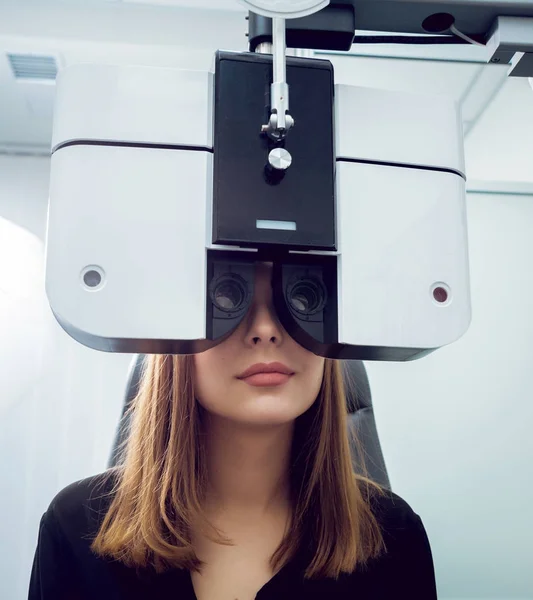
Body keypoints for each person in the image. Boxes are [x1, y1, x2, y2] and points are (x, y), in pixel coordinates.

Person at [29, 262, 437, 600]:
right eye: (226, 296)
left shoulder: (393, 537)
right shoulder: (76, 527)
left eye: (301, 299)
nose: (265, 328)